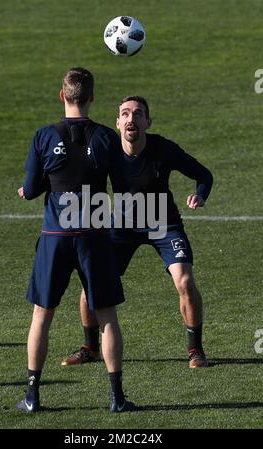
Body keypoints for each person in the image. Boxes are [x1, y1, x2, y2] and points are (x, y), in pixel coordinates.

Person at [61, 96, 213, 369]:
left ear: (147, 122)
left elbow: (204, 174)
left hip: (163, 223)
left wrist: (200, 194)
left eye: (138, 114)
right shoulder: (107, 150)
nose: (132, 118)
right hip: (122, 224)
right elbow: (78, 175)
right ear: (118, 123)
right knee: (91, 282)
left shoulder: (163, 149)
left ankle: (196, 350)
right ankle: (90, 347)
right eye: (126, 114)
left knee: (185, 282)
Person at [16, 68, 134, 413]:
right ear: (92, 97)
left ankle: (33, 396)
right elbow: (123, 186)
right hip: (93, 236)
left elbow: (34, 187)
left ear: (62, 95)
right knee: (108, 316)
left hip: (55, 236)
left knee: (42, 314)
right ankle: (116, 398)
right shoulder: (105, 138)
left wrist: (29, 190)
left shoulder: (43, 136)